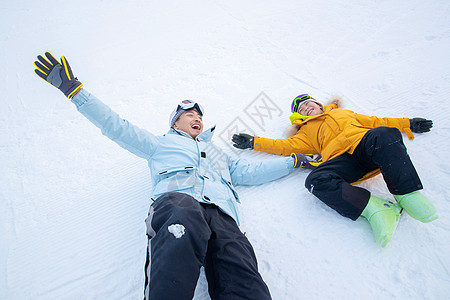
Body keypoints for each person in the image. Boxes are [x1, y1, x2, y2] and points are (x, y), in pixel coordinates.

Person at [34, 51, 298, 300]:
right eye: (189, 115)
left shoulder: (214, 152)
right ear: (175, 123)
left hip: (221, 213)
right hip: (178, 201)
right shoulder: (160, 144)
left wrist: (294, 161)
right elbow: (116, 126)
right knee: (180, 224)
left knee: (239, 263)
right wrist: (75, 93)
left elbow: (249, 171)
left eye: (199, 117)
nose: (197, 119)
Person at [232, 93, 437, 248]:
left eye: (308, 103)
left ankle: (407, 194)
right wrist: (254, 142)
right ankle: (376, 208)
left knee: (384, 133)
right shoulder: (305, 132)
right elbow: (283, 146)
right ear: (298, 116)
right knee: (316, 179)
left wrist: (408, 123)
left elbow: (377, 122)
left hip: (365, 145)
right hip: (344, 161)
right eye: (301, 108)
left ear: (319, 104)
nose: (306, 107)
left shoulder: (343, 113)